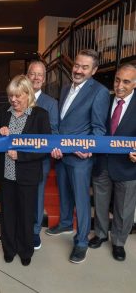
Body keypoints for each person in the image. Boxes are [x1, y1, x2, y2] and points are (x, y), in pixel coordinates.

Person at [46, 49, 110, 263]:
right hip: (62, 154)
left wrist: (89, 148)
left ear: (94, 70)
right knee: (64, 192)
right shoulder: (65, 88)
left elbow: (99, 128)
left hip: (81, 157)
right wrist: (56, 145)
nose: (78, 70)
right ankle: (65, 222)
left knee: (82, 201)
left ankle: (81, 241)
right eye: (77, 65)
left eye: (85, 67)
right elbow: (62, 122)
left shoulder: (99, 92)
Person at [0, 75, 51, 266]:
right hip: (6, 174)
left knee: (26, 215)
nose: (14, 100)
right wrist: (0, 130)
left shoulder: (41, 115)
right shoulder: (4, 112)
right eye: (11, 96)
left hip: (28, 174)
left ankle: (25, 250)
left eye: (18, 96)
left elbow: (44, 147)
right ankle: (9, 249)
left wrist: (22, 156)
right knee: (8, 214)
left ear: (28, 94)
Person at [89, 63, 136, 261]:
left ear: (135, 83)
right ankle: (100, 234)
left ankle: (118, 242)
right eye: (117, 80)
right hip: (102, 163)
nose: (119, 85)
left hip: (128, 166)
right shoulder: (104, 100)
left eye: (126, 81)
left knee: (124, 208)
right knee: (100, 202)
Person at [27, 61, 58, 250]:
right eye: (33, 74)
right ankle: (22, 227)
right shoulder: (18, 98)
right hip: (18, 158)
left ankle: (35, 231)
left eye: (40, 75)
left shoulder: (51, 103)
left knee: (37, 195)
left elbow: (53, 130)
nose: (36, 78)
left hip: (40, 159)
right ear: (27, 75)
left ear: (44, 79)